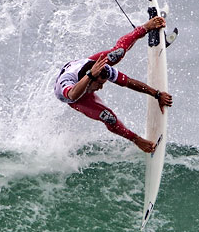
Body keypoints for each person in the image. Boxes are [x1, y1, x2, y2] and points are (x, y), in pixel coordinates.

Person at [54, 17, 174, 153]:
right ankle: (137, 140)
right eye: (99, 84)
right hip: (77, 96)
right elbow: (72, 94)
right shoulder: (66, 82)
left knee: (117, 53)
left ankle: (145, 27)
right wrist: (90, 76)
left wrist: (157, 94)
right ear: (91, 78)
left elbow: (128, 82)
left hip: (88, 68)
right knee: (108, 117)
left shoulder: (102, 70)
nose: (101, 87)